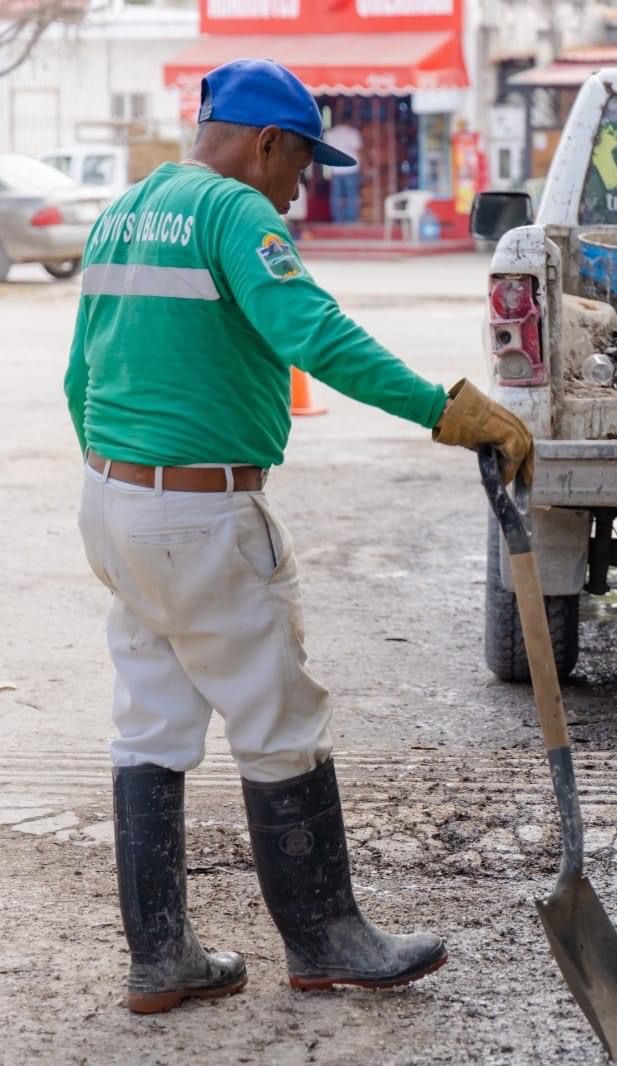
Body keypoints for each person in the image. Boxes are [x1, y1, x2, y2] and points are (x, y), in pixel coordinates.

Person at [63, 59, 533, 1014]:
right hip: (202, 512)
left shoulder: (124, 211)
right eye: (302, 163)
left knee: (150, 725)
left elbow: (80, 375)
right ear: (267, 141)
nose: (302, 185)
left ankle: (160, 958)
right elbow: (314, 335)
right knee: (280, 723)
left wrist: (127, 488)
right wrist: (441, 408)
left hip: (113, 500)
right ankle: (327, 938)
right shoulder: (238, 215)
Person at [324, 121, 362, 224]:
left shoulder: (330, 133)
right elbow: (357, 149)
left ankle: (337, 219)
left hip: (336, 168)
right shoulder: (352, 132)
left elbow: (327, 150)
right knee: (352, 195)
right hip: (351, 168)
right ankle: (351, 219)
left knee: (336, 195)